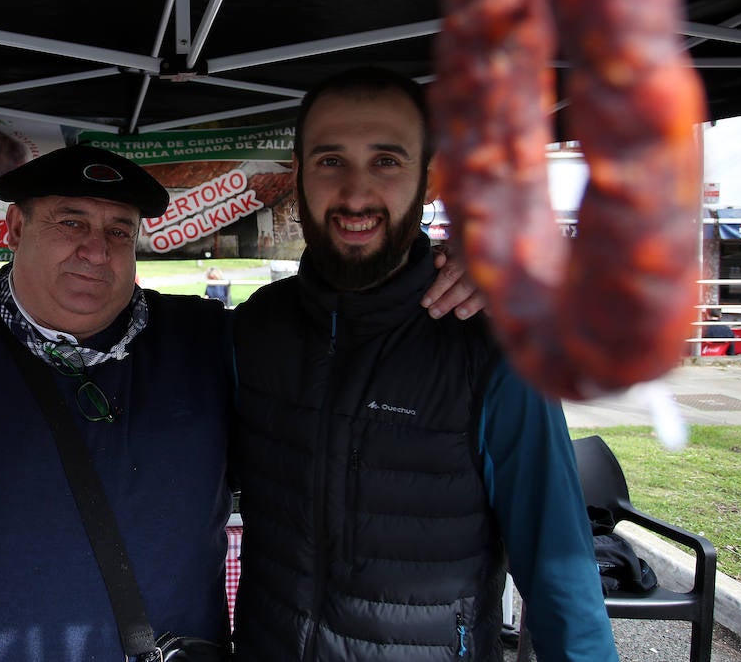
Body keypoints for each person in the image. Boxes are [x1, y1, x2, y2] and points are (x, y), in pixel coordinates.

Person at [0, 145, 479, 660]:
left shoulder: (205, 339)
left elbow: (344, 358)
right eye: (71, 222)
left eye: (118, 230)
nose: (96, 249)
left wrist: (437, 282)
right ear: (15, 230)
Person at [230, 67, 617, 661]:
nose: (356, 195)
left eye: (386, 161)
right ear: (297, 174)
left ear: (429, 177)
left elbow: (559, 570)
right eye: (331, 160)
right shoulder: (255, 327)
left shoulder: (489, 343)